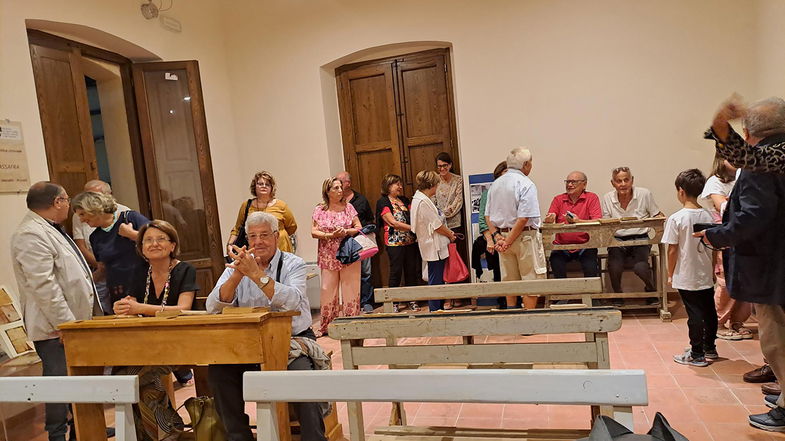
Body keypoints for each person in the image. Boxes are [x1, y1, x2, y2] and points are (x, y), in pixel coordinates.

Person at [700, 95, 785, 432]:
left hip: (771, 263)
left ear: (750, 132)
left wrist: (717, 236)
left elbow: (755, 215)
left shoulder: (762, 161)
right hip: (776, 258)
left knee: (776, 335)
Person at [207, 211, 327, 441]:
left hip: (292, 340)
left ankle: (315, 438)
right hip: (248, 344)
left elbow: (294, 300)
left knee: (302, 378)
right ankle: (240, 437)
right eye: (252, 237)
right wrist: (238, 275)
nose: (258, 242)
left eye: (264, 235)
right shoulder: (237, 265)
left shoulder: (294, 264)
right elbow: (213, 306)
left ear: (275, 236)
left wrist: (257, 275)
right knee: (219, 373)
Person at [11, 182, 102, 441]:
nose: (69, 204)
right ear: (58, 201)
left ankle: (81, 428)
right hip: (56, 327)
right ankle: (57, 434)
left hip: (72, 323)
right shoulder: (30, 234)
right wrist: (66, 324)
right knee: (58, 379)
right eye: (67, 199)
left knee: (76, 378)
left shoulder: (49, 228)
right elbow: (44, 286)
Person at [113, 220, 197, 441]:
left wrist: (140, 308)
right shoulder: (140, 271)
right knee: (134, 380)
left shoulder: (185, 269)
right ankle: (168, 429)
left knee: (128, 378)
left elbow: (183, 308)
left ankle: (161, 431)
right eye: (148, 240)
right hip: (147, 344)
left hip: (182, 342)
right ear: (141, 248)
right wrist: (123, 306)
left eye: (161, 239)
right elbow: (131, 304)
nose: (154, 244)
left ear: (172, 245)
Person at [662, 169, 717, 367]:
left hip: (686, 273)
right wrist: (711, 269)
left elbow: (672, 250)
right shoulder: (708, 215)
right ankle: (710, 348)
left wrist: (670, 274)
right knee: (709, 310)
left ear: (681, 191)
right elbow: (714, 246)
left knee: (694, 314)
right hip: (704, 272)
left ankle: (697, 354)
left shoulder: (676, 218)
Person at [485, 147, 547, 310]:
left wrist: (498, 237)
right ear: (526, 164)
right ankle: (528, 320)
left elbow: (487, 216)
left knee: (509, 280)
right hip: (524, 237)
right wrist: (508, 240)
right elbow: (524, 218)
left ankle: (512, 316)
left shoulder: (496, 184)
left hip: (503, 237)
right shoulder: (526, 183)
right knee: (530, 279)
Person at [700, 155, 752, 341]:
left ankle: (737, 322)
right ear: (721, 160)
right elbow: (722, 206)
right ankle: (718, 322)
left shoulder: (745, 177)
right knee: (725, 281)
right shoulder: (715, 182)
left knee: (747, 281)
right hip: (727, 235)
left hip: (746, 235)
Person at [72, 191, 149, 304]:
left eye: (82, 214)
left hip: (146, 286)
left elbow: (160, 240)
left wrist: (131, 234)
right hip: (119, 293)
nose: (81, 220)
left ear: (94, 208)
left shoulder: (130, 218)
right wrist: (84, 284)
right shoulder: (95, 237)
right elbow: (103, 269)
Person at [601, 167, 664, 296]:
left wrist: (660, 218)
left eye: (626, 180)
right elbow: (606, 223)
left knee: (641, 268)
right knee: (614, 266)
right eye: (619, 181)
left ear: (632, 180)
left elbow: (656, 214)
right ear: (613, 183)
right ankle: (618, 295)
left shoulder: (644, 194)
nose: (623, 184)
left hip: (641, 239)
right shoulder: (607, 198)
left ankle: (651, 291)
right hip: (617, 240)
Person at [312, 177, 362, 334]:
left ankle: (351, 323)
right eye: (336, 188)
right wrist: (329, 235)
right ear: (327, 191)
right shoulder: (320, 210)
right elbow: (314, 231)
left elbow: (358, 226)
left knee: (351, 289)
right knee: (327, 290)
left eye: (341, 187)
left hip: (348, 254)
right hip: (328, 255)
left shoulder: (349, 207)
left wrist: (345, 232)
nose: (340, 190)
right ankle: (327, 325)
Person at [71, 179, 130, 315]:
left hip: (129, 275)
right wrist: (95, 271)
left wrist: (131, 234)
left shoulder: (126, 214)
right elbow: (83, 247)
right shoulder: (93, 233)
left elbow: (150, 239)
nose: (81, 219)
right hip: (106, 276)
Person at [410, 170, 456, 311]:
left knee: (437, 279)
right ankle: (435, 310)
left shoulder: (421, 199)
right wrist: (450, 234)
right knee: (435, 280)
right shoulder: (422, 201)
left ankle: (437, 308)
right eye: (437, 184)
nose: (437, 187)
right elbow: (436, 225)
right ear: (431, 185)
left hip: (432, 244)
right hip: (433, 246)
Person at [544, 171, 602, 279]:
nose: (569, 185)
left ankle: (591, 295)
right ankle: (563, 295)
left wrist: (578, 221)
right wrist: (549, 219)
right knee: (555, 262)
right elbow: (550, 217)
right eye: (568, 182)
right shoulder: (558, 199)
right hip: (561, 246)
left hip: (586, 245)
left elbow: (597, 221)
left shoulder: (592, 198)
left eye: (573, 182)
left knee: (591, 267)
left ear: (584, 184)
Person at [375, 174, 421, 312]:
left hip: (410, 242)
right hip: (394, 243)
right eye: (397, 184)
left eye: (400, 184)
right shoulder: (383, 201)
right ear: (389, 186)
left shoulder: (404, 200)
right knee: (396, 272)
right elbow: (392, 222)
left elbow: (414, 215)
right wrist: (413, 228)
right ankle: (393, 302)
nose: (400, 187)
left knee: (411, 271)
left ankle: (412, 300)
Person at [227, 171, 297, 254]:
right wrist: (230, 244)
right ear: (255, 187)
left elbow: (292, 227)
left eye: (267, 184)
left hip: (280, 247)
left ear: (271, 188)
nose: (264, 186)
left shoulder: (281, 205)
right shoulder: (246, 205)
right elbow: (237, 228)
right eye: (260, 184)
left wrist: (272, 236)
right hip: (256, 247)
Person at [336, 171, 376, 313]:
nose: (339, 185)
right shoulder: (335, 202)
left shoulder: (361, 200)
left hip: (360, 241)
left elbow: (370, 220)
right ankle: (352, 303)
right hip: (342, 243)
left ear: (349, 183)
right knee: (347, 275)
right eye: (337, 182)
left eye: (342, 181)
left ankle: (366, 301)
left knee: (366, 272)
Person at [434, 152, 467, 305]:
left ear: (450, 165)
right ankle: (447, 296)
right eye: (439, 166)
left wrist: (444, 213)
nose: (442, 169)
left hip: (455, 224)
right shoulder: (435, 181)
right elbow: (432, 201)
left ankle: (458, 294)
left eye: (444, 166)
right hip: (439, 225)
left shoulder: (458, 180)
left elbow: (458, 202)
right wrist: (438, 216)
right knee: (443, 259)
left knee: (456, 259)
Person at [472, 161, 507, 284]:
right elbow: (482, 218)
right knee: (498, 267)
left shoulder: (513, 192)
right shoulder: (488, 193)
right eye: (505, 173)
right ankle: (503, 299)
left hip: (508, 235)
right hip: (493, 235)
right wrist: (490, 239)